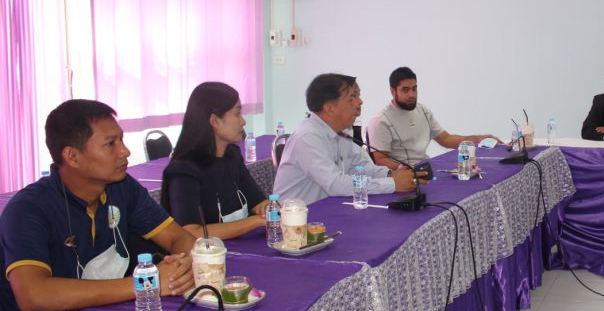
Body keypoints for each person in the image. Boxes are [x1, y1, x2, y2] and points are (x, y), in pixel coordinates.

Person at [0, 100, 197, 311]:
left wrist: (181, 269)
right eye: (110, 144)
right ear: (72, 156)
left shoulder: (121, 186)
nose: (125, 151)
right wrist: (146, 283)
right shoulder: (28, 209)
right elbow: (33, 295)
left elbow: (177, 237)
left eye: (121, 139)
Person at [274, 73, 424, 204]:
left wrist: (390, 174)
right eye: (352, 97)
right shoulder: (307, 137)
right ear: (329, 108)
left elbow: (357, 167)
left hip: (329, 208)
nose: (360, 102)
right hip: (296, 219)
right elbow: (335, 184)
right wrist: (392, 184)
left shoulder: (343, 130)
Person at [160, 82, 268, 240]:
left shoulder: (232, 156)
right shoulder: (184, 170)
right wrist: (254, 222)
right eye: (237, 114)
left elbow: (258, 203)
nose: (243, 121)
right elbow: (191, 232)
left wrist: (267, 209)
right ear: (215, 121)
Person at [365, 67, 501, 168]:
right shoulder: (381, 121)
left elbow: (446, 139)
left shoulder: (423, 110)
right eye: (405, 90)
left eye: (414, 88)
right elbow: (380, 159)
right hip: (404, 177)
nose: (412, 94)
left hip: (426, 168)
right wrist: (406, 170)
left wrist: (478, 139)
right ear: (393, 91)